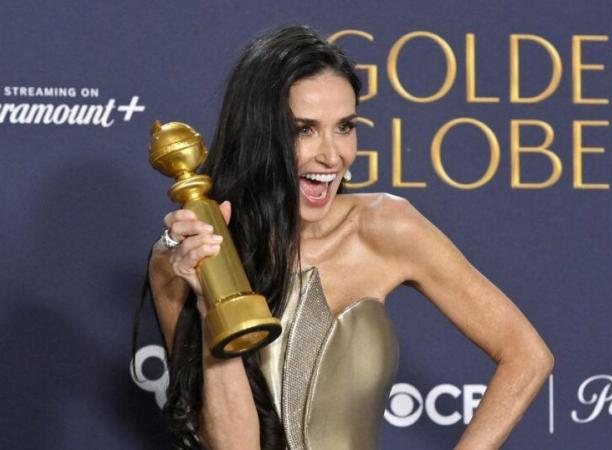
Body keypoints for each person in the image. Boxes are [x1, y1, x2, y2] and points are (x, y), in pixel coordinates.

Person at [139, 24, 554, 450]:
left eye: (344, 127)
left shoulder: (387, 227)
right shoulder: (180, 260)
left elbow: (527, 355)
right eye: (304, 129)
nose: (332, 155)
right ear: (258, 134)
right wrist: (213, 298)